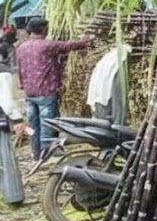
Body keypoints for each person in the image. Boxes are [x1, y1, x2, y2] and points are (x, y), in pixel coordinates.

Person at [15, 18, 94, 161]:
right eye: (46, 28)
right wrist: (88, 40)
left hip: (30, 91)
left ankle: (36, 153)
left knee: (34, 124)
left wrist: (23, 85)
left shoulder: (21, 47)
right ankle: (46, 153)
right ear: (43, 29)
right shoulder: (47, 45)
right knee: (47, 122)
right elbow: (69, 46)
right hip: (45, 91)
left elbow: (19, 69)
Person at [0, 25, 25, 205]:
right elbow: (7, 101)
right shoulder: (3, 73)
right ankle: (13, 196)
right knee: (6, 157)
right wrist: (18, 120)